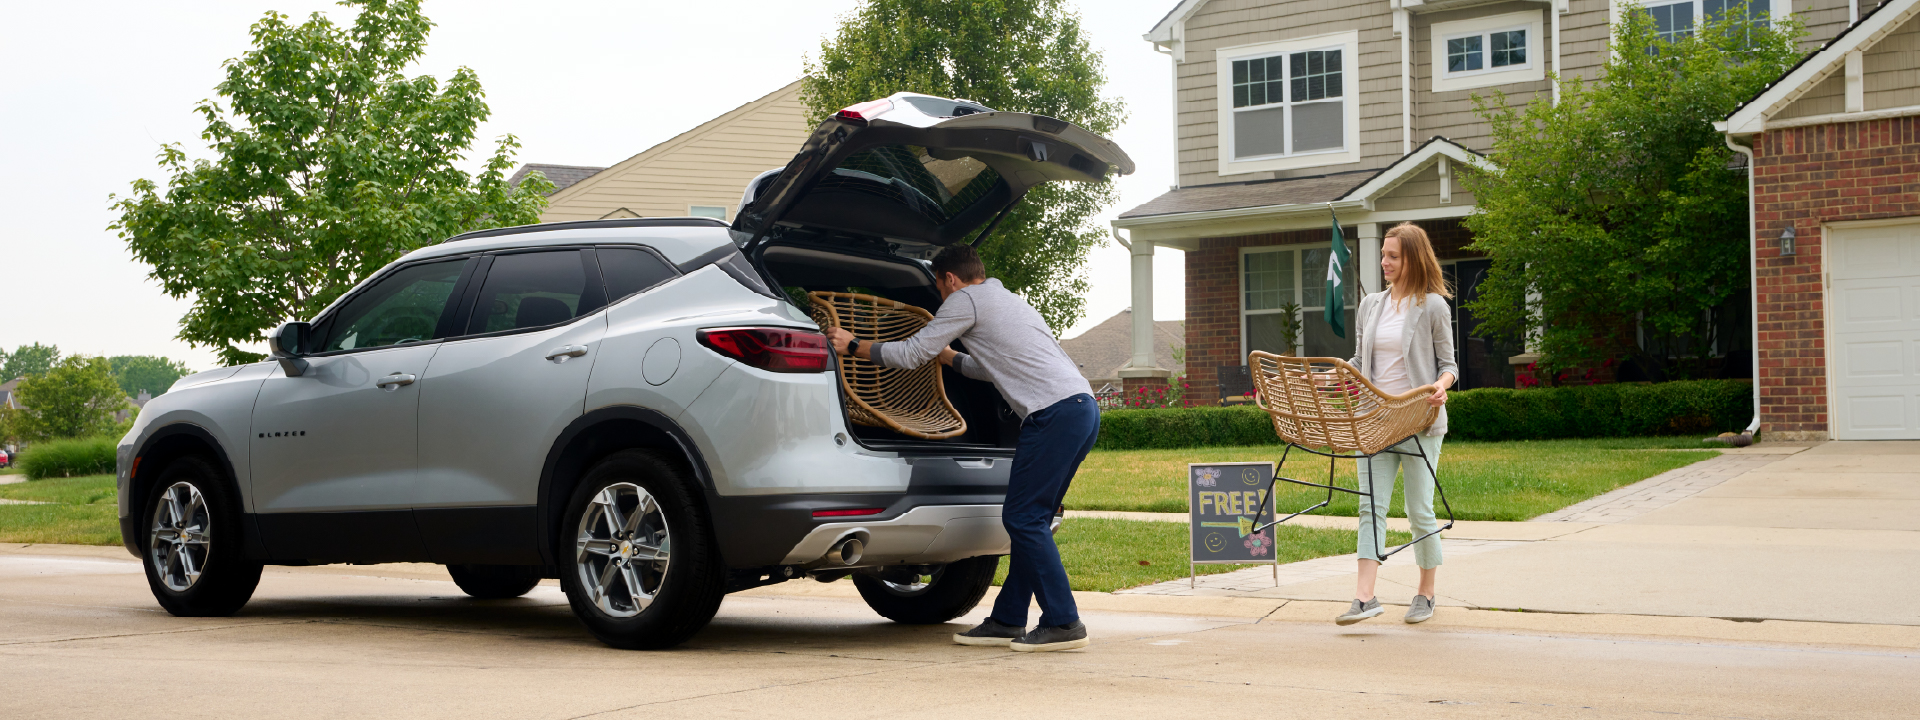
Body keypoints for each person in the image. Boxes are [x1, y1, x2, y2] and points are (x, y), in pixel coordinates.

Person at [824, 244, 1097, 653]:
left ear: (949, 279)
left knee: (1023, 519)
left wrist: (852, 346)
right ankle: (1007, 619)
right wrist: (951, 358)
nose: (940, 296)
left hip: (1053, 415)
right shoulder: (1005, 300)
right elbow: (991, 368)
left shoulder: (965, 299)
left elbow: (912, 353)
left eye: (938, 287)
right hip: (1081, 408)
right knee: (1032, 521)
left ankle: (1064, 621)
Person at [1334, 222, 1457, 626]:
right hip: (1374, 421)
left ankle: (1426, 592)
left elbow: (1449, 367)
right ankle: (1364, 598)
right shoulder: (1372, 305)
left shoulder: (1435, 307)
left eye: (1392, 256)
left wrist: (1440, 387)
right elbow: (1358, 362)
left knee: (1419, 509)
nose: (1384, 262)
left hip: (1418, 421)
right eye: (1383, 255)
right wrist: (1328, 377)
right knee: (1371, 506)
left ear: (1413, 259)